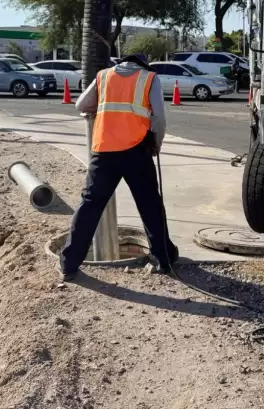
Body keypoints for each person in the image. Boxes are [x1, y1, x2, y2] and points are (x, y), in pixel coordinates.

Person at [59, 53, 178, 280]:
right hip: (136, 151)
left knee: (89, 205)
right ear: (143, 64)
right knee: (150, 205)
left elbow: (81, 105)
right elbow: (159, 118)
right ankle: (164, 259)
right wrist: (156, 144)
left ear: (121, 62)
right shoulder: (149, 78)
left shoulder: (104, 76)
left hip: (103, 152)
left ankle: (69, 264)